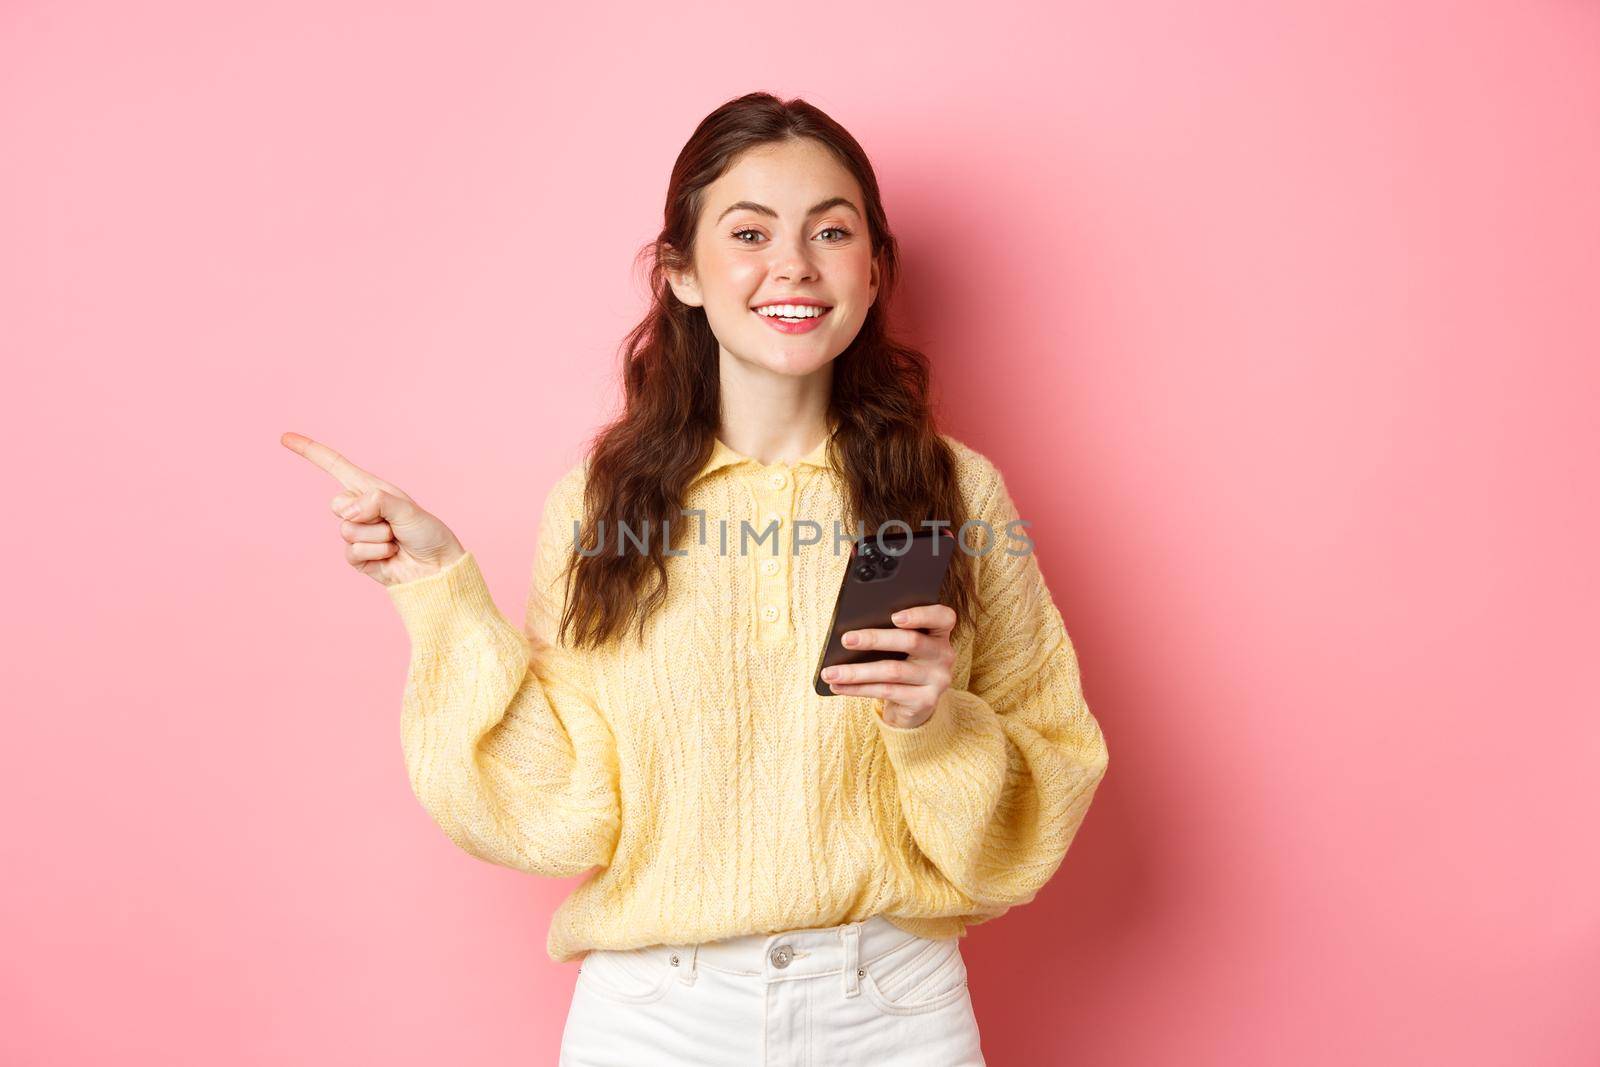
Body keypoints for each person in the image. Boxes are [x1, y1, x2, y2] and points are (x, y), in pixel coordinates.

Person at [282, 91, 1109, 1067]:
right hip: (655, 1016)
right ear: (680, 272)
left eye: (830, 230)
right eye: (748, 231)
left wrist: (937, 724)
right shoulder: (602, 502)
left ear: (874, 269)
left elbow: (1047, 774)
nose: (793, 264)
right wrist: (438, 585)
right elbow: (566, 794)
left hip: (889, 1008)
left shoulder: (954, 490)